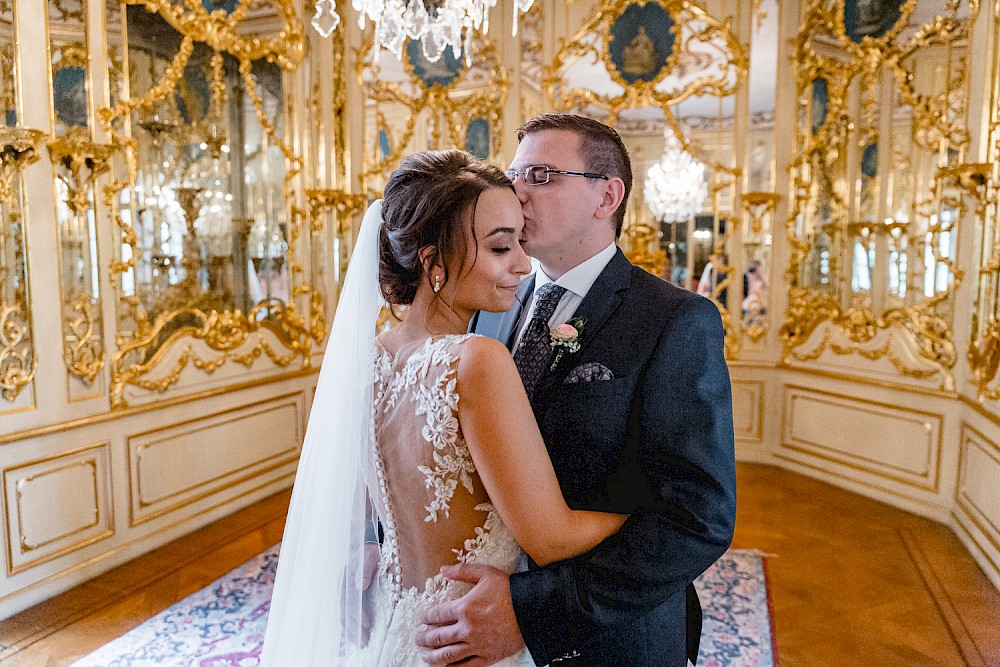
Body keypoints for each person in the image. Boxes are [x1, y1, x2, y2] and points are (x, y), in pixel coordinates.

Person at [260, 150, 629, 666]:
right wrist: (650, 509)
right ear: (433, 263)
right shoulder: (476, 360)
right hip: (468, 637)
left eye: (520, 242)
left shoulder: (367, 361)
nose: (523, 265)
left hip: (398, 631)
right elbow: (550, 539)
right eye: (502, 247)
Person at [417, 113, 737, 667]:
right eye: (513, 174)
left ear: (606, 196)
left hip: (608, 639)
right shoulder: (485, 304)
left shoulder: (674, 321)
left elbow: (697, 518)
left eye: (540, 175)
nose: (515, 192)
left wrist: (530, 613)